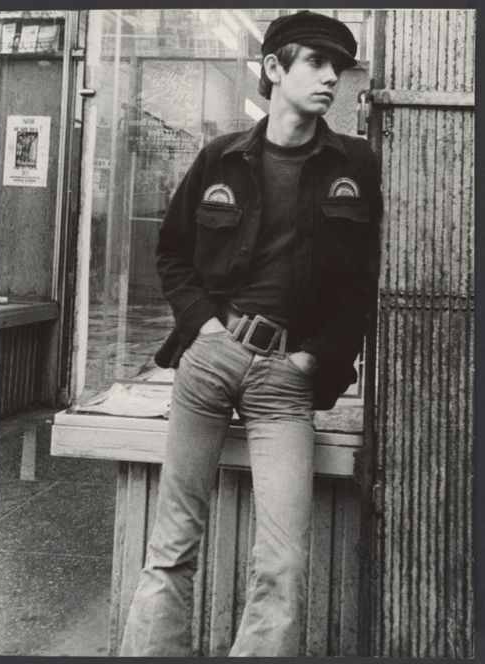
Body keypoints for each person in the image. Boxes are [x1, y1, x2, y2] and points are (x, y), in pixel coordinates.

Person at [120, 10, 383, 657]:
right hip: (209, 361)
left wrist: (312, 360)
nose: (330, 79)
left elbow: (363, 287)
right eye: (315, 63)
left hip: (285, 383)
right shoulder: (222, 158)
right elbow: (172, 251)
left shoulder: (355, 165)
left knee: (284, 564)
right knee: (172, 546)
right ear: (274, 69)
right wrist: (204, 327)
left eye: (338, 67)